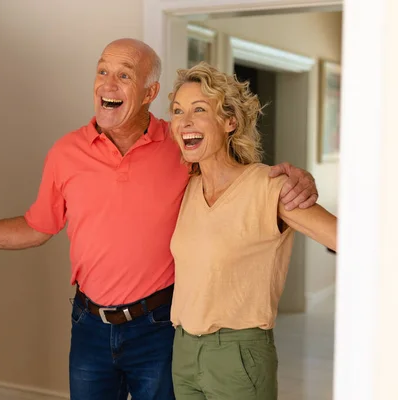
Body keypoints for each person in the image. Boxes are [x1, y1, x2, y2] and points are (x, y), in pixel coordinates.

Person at [0, 39, 319, 400]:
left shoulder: (181, 144)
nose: (108, 84)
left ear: (149, 92)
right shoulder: (65, 153)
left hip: (158, 325)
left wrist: (298, 179)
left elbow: (232, 177)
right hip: (89, 324)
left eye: (124, 75)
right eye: (102, 71)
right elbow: (37, 226)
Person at [167, 62, 337, 400]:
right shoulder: (186, 189)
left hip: (238, 354)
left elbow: (347, 239)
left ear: (230, 121)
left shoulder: (268, 187)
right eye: (177, 111)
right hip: (183, 351)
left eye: (199, 109)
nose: (184, 121)